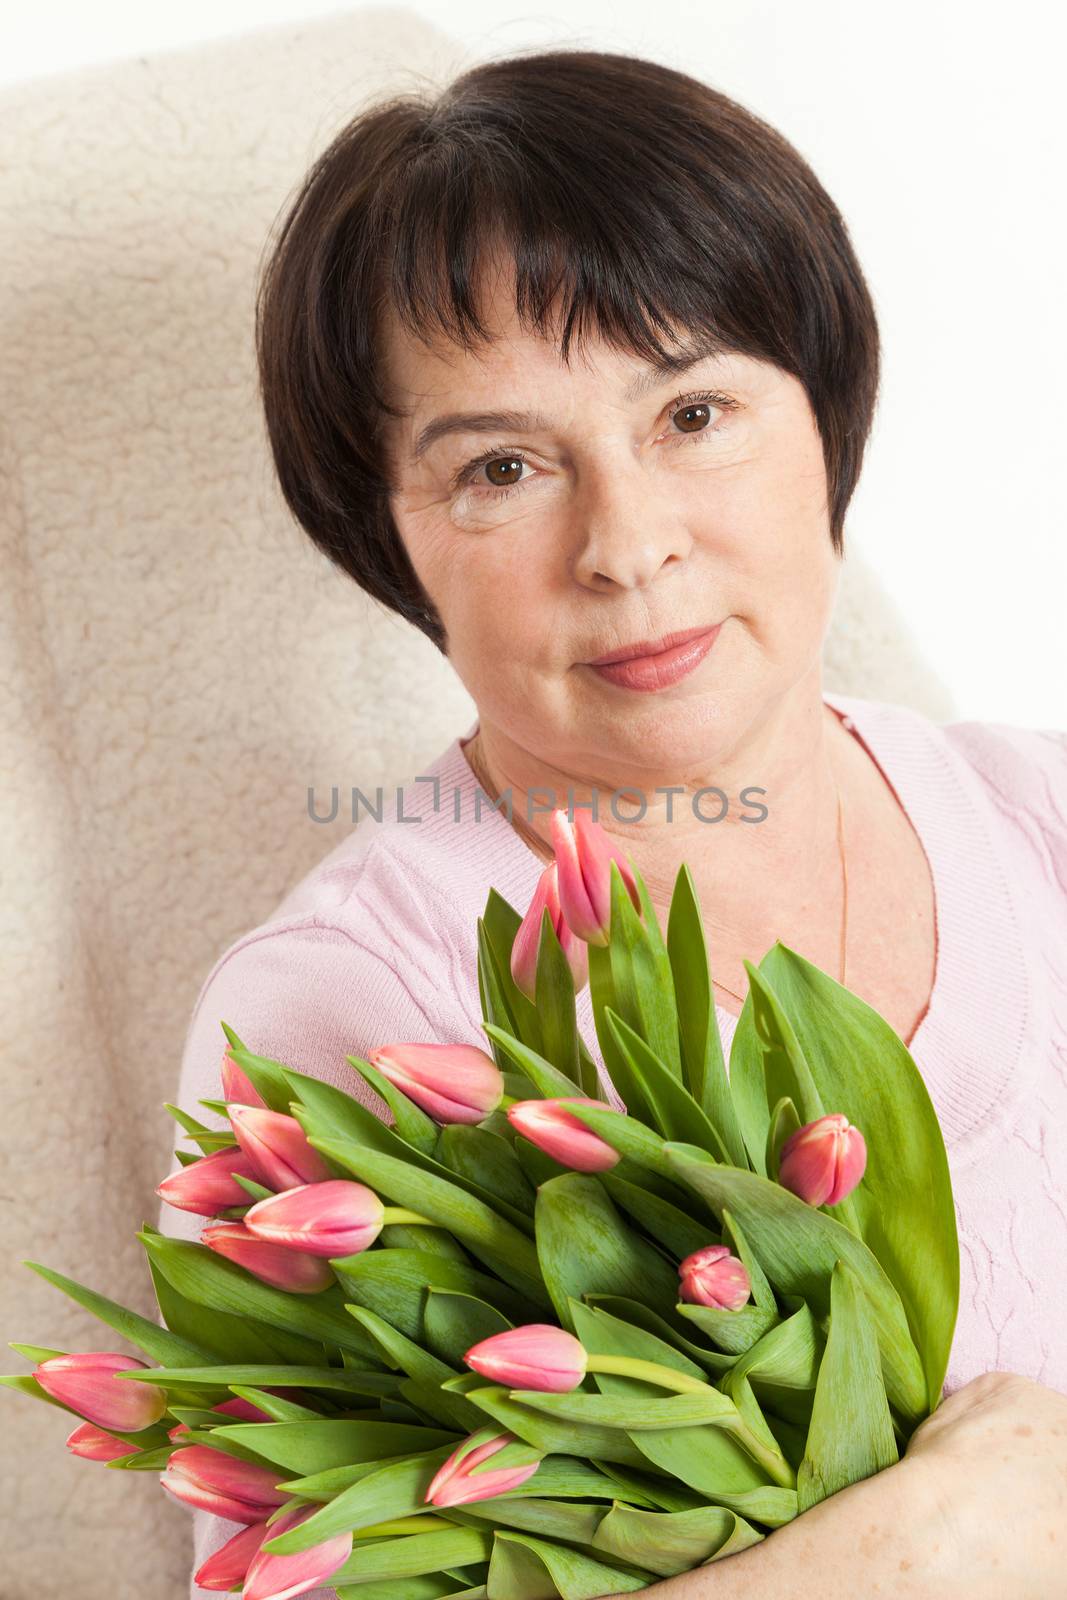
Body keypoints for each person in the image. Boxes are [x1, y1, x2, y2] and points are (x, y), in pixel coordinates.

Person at [159, 48, 1067, 1599]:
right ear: (385, 535)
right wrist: (926, 1551)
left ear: (826, 422)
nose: (629, 546)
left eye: (696, 412)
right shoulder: (350, 1013)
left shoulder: (1038, 814)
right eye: (504, 468)